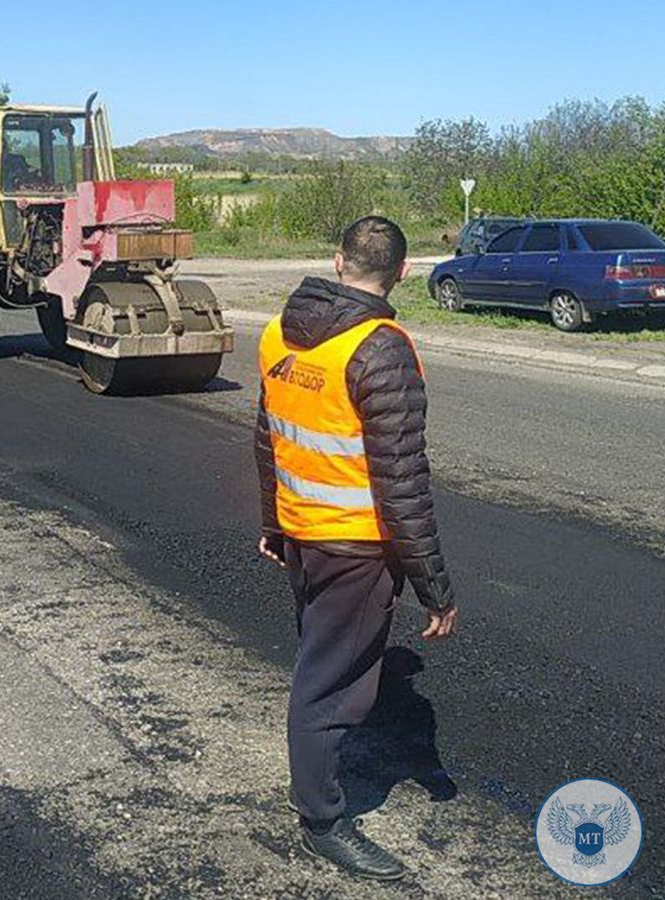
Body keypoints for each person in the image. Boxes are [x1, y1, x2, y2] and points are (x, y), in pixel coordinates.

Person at [256, 216, 458, 880]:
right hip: (354, 551)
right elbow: (402, 481)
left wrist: (274, 522)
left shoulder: (278, 332)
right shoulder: (382, 349)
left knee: (318, 663)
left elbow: (269, 437)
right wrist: (435, 587)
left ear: (339, 260)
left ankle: (312, 782)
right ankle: (321, 819)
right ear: (402, 272)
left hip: (304, 538)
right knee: (331, 686)